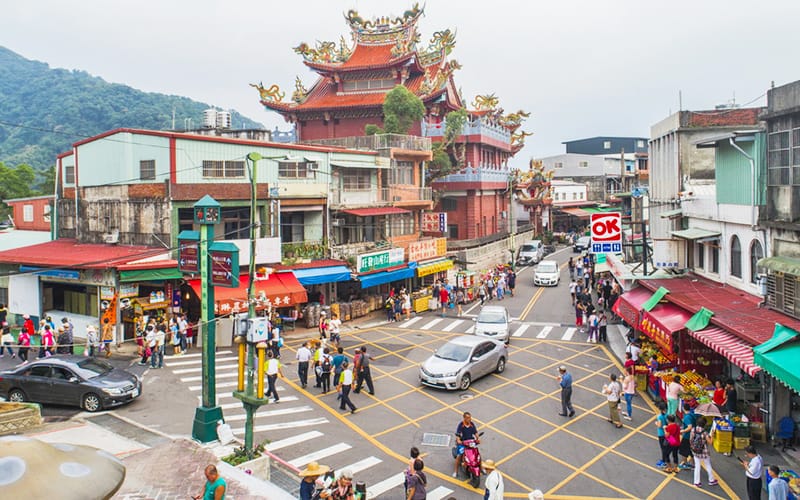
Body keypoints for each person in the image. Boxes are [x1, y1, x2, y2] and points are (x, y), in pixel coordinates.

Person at [689, 415, 717, 487]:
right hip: (704, 452)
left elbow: (691, 440)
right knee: (708, 465)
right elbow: (710, 442)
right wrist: (713, 435)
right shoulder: (705, 433)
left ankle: (697, 482)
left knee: (697, 466)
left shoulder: (693, 430)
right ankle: (711, 480)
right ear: (704, 424)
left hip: (695, 451)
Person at [453, 411, 479, 477]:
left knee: (477, 453)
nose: (469, 419)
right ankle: (455, 471)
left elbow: (475, 433)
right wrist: (458, 440)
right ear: (464, 418)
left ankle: (481, 467)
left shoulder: (472, 424)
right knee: (460, 455)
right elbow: (458, 435)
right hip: (463, 443)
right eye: (467, 418)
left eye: (470, 418)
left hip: (471, 442)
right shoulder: (461, 425)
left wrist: (477, 438)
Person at [654, 402, 669, 467]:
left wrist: (656, 423)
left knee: (663, 448)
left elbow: (659, 426)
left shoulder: (659, 416)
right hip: (667, 433)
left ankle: (664, 461)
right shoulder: (667, 415)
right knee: (666, 447)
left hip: (661, 434)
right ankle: (665, 459)